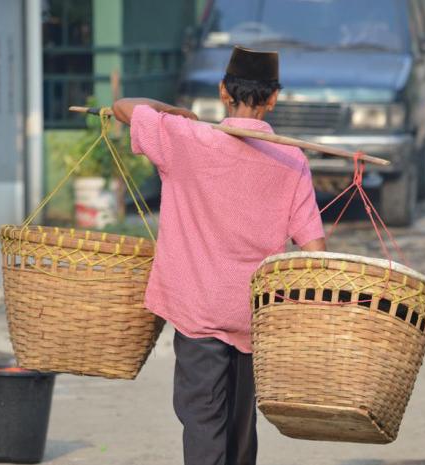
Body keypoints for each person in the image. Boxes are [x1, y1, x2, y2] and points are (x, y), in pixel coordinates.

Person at [112, 45, 326, 465]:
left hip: (199, 313)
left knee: (204, 422)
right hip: (254, 316)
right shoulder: (292, 159)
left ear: (223, 90)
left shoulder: (185, 139)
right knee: (240, 428)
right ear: (274, 97)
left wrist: (175, 111)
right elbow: (315, 251)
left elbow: (123, 107)